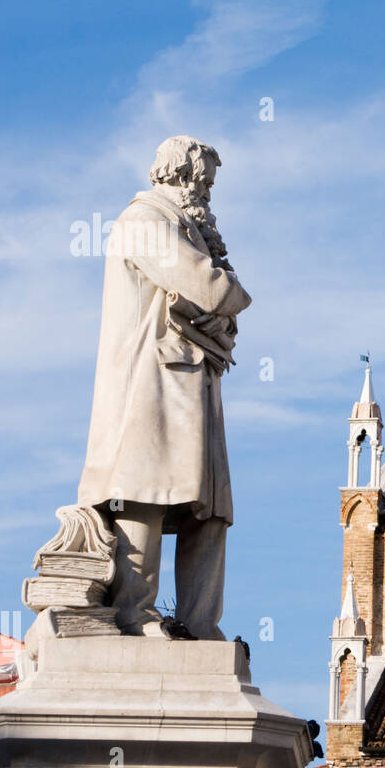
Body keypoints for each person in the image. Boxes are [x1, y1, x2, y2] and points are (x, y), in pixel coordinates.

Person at [77, 136, 251, 640]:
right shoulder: (145, 222)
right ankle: (136, 612)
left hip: (196, 380)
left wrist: (217, 309)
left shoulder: (188, 228)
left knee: (211, 510)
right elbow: (215, 289)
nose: (209, 194)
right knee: (144, 494)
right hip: (152, 381)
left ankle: (200, 625)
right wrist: (222, 300)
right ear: (182, 177)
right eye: (206, 183)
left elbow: (218, 309)